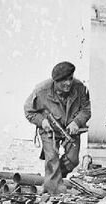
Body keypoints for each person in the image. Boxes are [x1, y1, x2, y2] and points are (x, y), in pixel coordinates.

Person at [24, 61, 91, 194]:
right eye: (63, 81)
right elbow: (28, 111)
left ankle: (53, 179)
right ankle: (54, 193)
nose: (68, 83)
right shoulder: (41, 90)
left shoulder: (79, 88)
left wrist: (76, 122)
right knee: (52, 158)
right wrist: (42, 122)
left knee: (73, 160)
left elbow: (86, 110)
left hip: (71, 130)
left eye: (70, 78)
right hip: (49, 130)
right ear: (55, 81)